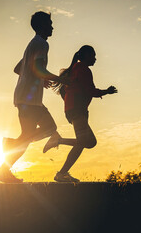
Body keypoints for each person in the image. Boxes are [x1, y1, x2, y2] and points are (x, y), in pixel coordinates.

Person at [0, 11, 68, 183]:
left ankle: (10, 147)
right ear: (42, 26)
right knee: (35, 133)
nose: (52, 27)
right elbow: (38, 69)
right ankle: (5, 163)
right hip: (27, 99)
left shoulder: (33, 44)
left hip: (27, 97)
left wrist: (40, 81)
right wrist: (61, 79)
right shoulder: (41, 43)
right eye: (50, 24)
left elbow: (19, 68)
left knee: (46, 128)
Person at [46, 45, 117, 182]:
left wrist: (69, 104)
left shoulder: (75, 69)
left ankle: (58, 141)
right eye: (93, 55)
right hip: (77, 109)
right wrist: (106, 91)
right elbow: (90, 90)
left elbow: (65, 91)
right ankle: (61, 173)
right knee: (83, 142)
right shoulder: (83, 69)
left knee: (90, 142)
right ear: (86, 56)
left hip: (75, 109)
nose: (95, 58)